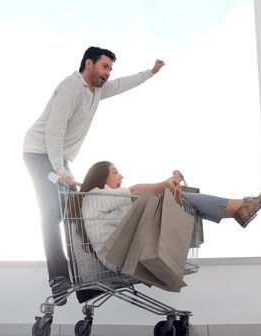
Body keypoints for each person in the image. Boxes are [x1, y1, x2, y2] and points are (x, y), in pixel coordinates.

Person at [23, 46, 165, 305]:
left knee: (74, 215)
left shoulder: (97, 90)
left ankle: (84, 281)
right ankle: (58, 278)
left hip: (59, 158)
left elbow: (123, 84)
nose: (108, 73)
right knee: (53, 215)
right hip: (39, 152)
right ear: (89, 64)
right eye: (104, 67)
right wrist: (60, 169)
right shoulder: (71, 87)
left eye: (110, 68)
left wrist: (150, 73)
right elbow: (54, 130)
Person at [79, 161, 261, 272]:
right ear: (102, 177)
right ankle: (241, 208)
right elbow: (136, 190)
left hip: (126, 251)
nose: (121, 175)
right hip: (120, 257)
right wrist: (166, 184)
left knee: (179, 199)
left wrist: (169, 189)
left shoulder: (106, 203)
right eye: (114, 172)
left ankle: (240, 209)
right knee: (179, 198)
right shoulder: (96, 196)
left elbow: (142, 201)